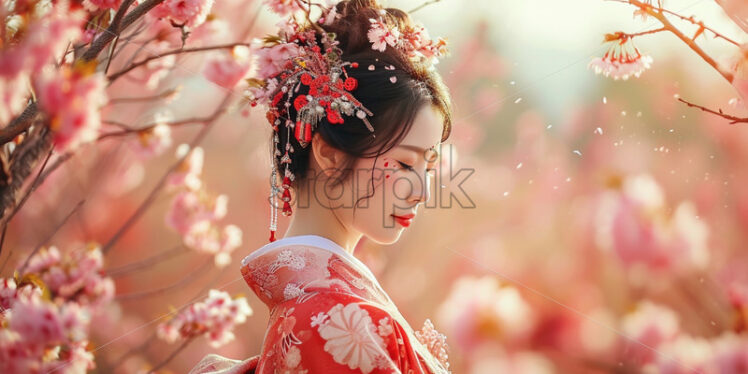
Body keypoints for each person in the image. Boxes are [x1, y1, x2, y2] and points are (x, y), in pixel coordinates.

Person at [189, 0, 453, 372]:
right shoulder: (331, 319)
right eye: (406, 163)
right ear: (329, 154)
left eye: (428, 167)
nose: (422, 192)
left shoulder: (327, 309)